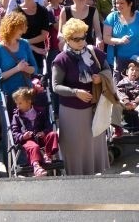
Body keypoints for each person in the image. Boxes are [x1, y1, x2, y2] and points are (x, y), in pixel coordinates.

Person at [51, 18, 110, 175]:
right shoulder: (61, 59)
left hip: (94, 108)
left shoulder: (93, 52)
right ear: (68, 39)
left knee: (93, 144)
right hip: (72, 111)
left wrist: (100, 77)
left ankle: (93, 175)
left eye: (83, 37)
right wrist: (75, 92)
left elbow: (108, 71)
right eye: (76, 39)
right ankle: (74, 178)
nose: (81, 42)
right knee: (74, 146)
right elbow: (55, 86)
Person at [10, 86, 59, 177]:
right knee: (34, 146)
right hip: (27, 141)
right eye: (16, 104)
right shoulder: (16, 116)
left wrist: (44, 132)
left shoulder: (40, 112)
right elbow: (15, 132)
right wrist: (23, 136)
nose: (18, 106)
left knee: (53, 134)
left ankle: (47, 155)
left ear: (29, 101)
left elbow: (48, 126)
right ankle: (36, 166)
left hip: (41, 138)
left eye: (20, 103)